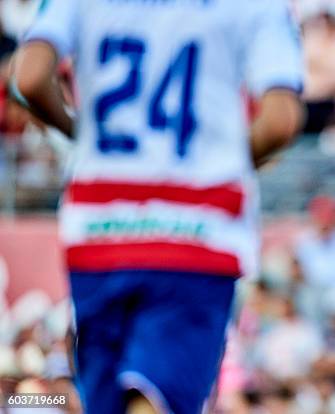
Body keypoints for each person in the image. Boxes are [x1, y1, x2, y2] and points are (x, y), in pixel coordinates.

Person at [10, 0, 303, 413]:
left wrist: (80, 135)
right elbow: (279, 121)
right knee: (156, 400)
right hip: (197, 231)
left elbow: (30, 76)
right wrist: (225, 165)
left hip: (99, 227)